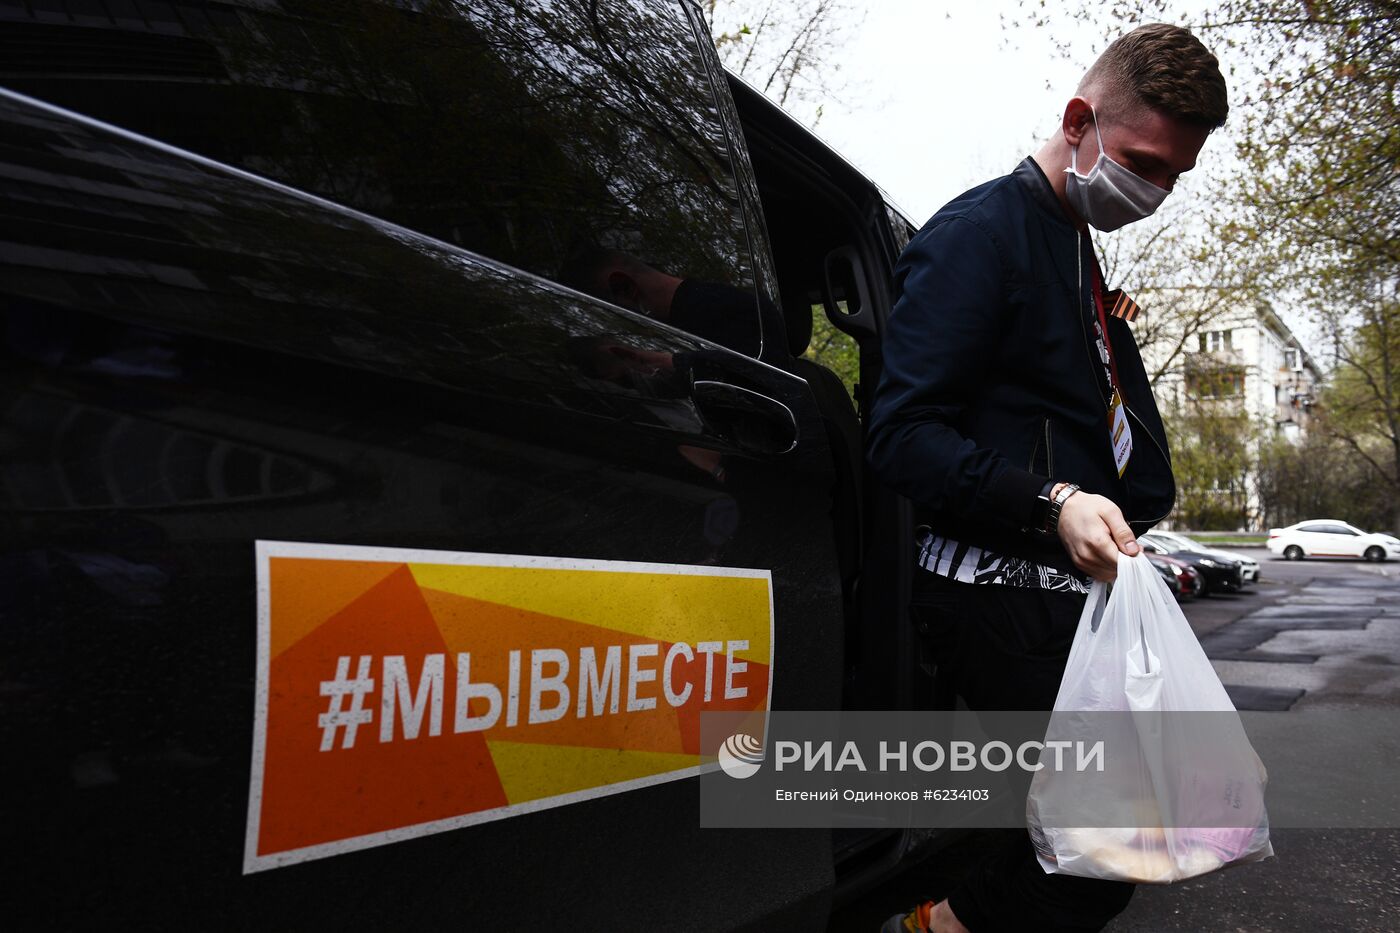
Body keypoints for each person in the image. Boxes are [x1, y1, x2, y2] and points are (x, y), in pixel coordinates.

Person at [868, 24, 1228, 933]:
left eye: (1175, 176)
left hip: (1067, 601)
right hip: (993, 597)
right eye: (1145, 161)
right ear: (1079, 120)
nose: (1154, 191)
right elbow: (902, 436)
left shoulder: (1073, 248)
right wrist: (1052, 500)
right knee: (1110, 843)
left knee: (1049, 839)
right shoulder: (979, 237)